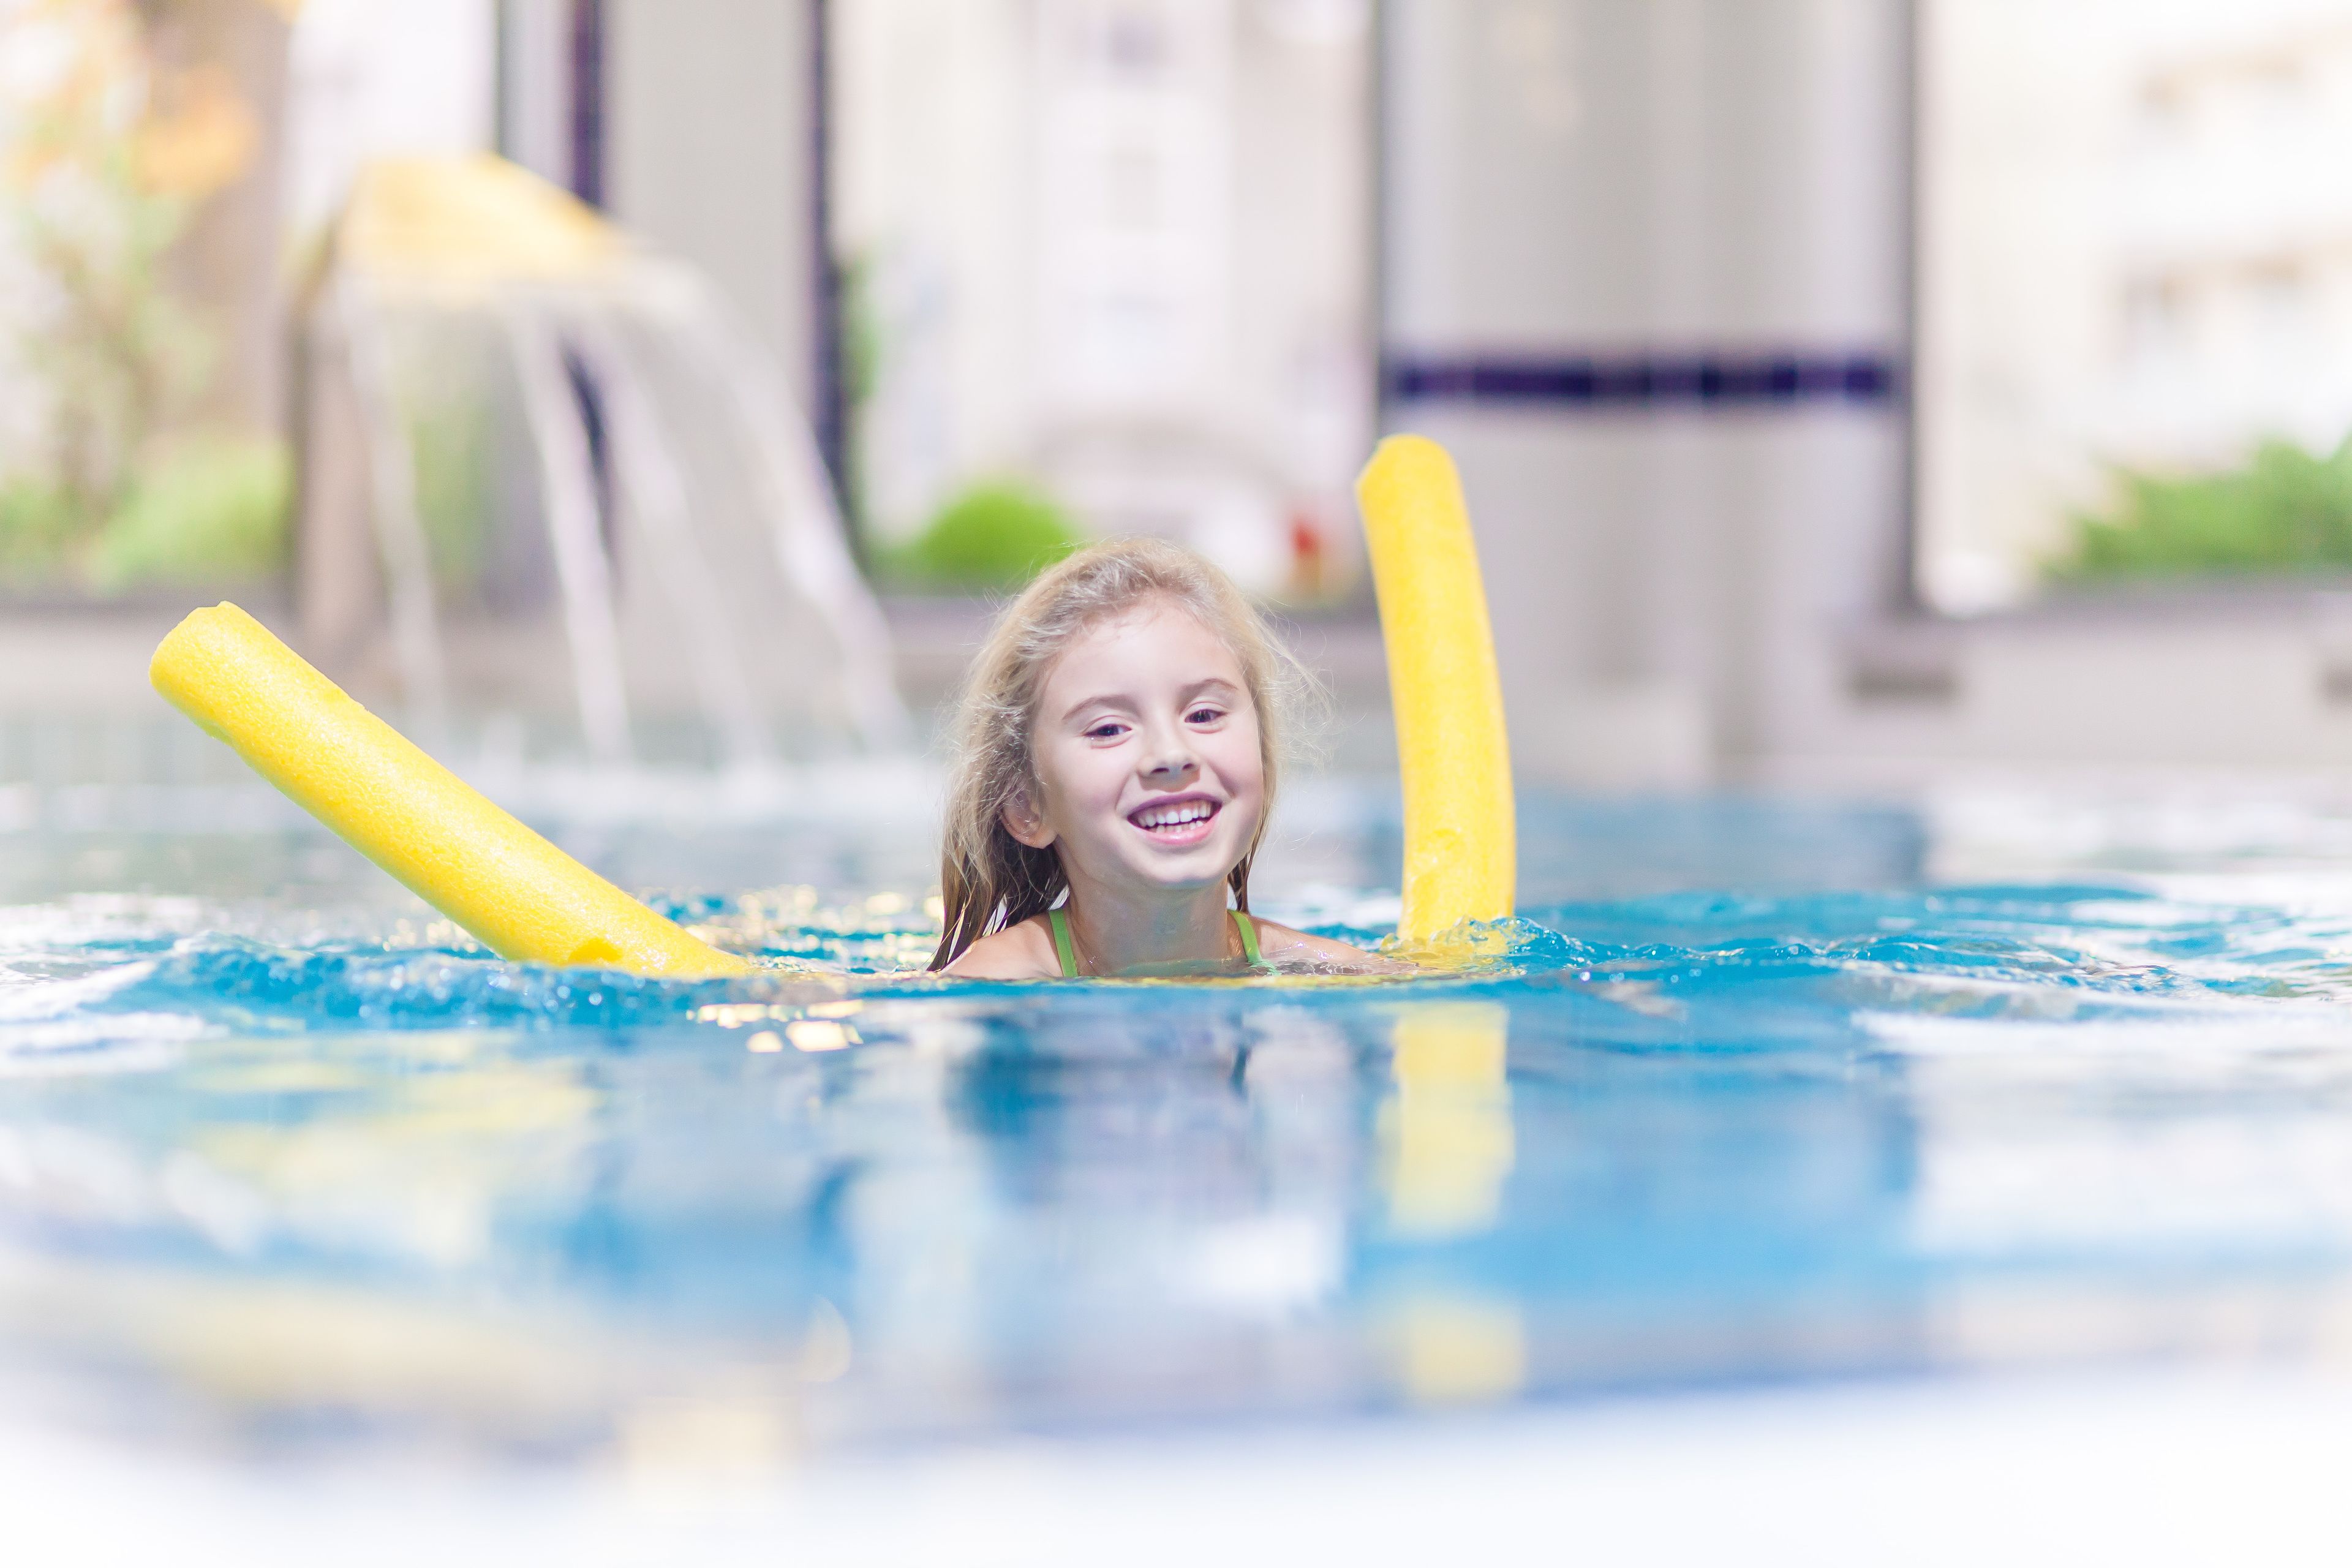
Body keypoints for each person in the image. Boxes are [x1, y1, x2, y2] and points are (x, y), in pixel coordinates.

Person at [932, 537, 1400, 979]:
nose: (1172, 754)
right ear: (1026, 805)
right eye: (1109, 729)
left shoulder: (1336, 974)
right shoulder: (992, 987)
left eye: (1204, 715)